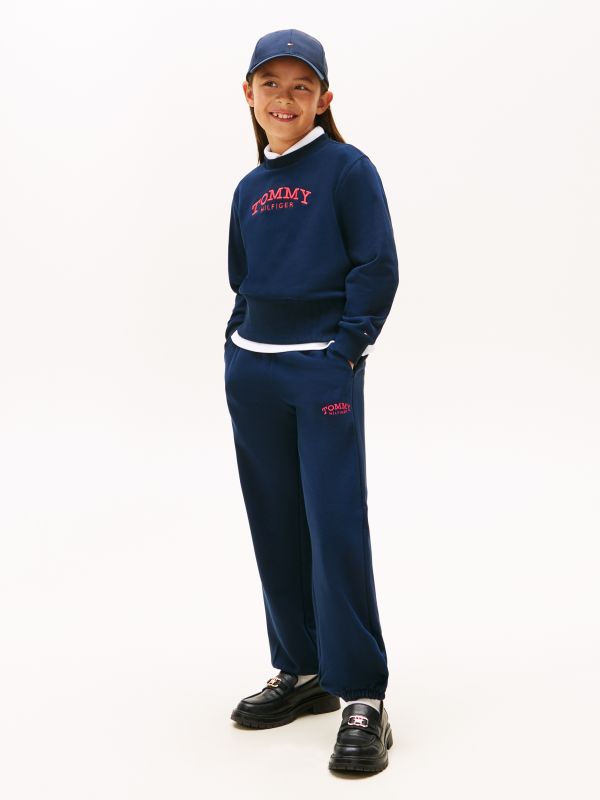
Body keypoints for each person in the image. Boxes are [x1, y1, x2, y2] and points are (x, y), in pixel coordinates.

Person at [223, 28, 399, 774]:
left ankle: (362, 694)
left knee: (333, 526)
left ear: (325, 99)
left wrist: (345, 350)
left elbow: (377, 265)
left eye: (302, 86)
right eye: (272, 84)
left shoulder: (347, 169)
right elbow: (242, 276)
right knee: (275, 523)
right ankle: (301, 671)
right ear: (249, 94)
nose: (285, 98)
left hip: (321, 371)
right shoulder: (249, 189)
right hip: (253, 373)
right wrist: (236, 347)